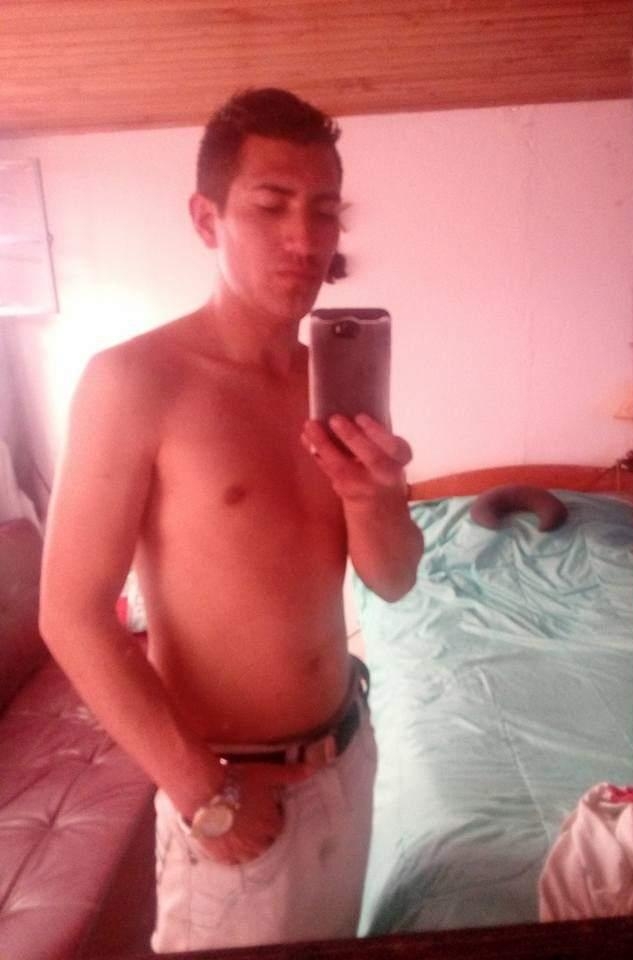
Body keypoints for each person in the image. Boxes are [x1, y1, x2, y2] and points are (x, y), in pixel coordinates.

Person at [39, 87, 424, 951]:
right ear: (206, 219)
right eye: (271, 205)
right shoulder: (135, 383)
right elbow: (70, 613)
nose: (306, 238)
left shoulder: (329, 385)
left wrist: (375, 498)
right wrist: (201, 793)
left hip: (347, 756)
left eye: (324, 209)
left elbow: (394, 581)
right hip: (237, 792)